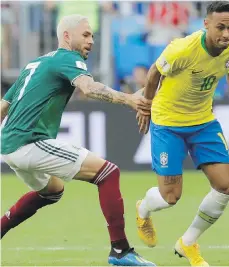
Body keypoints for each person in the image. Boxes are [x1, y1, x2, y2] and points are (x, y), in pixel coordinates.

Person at [0, 14, 155, 266]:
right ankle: (120, 251)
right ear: (66, 36)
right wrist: (129, 99)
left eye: (92, 35)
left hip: (9, 146)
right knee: (108, 173)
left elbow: (3, 106)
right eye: (85, 35)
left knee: (52, 191)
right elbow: (89, 88)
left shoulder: (34, 64)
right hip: (28, 142)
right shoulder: (67, 58)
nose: (91, 41)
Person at [135, 2, 229, 266]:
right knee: (171, 197)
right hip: (168, 123)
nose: (226, 34)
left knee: (225, 186)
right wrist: (146, 106)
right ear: (206, 25)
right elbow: (154, 73)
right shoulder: (182, 49)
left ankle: (187, 243)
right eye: (220, 27)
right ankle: (143, 208)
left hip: (203, 122)